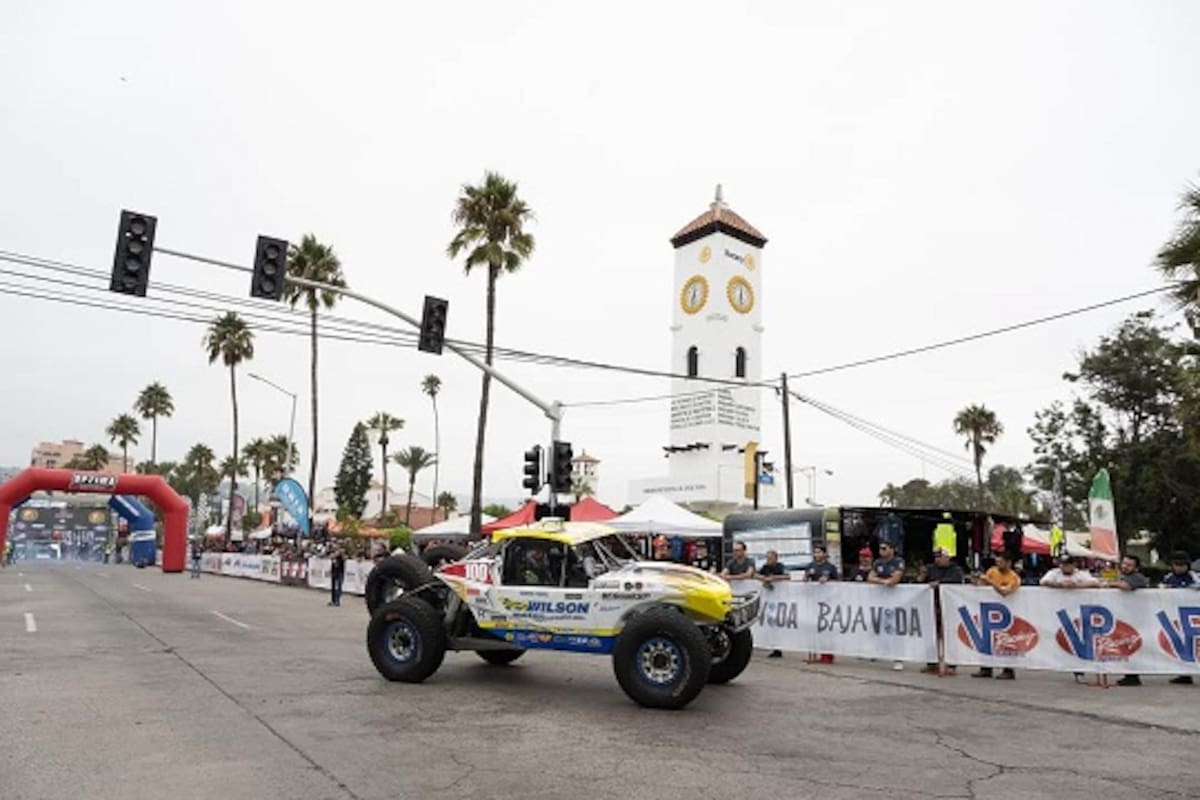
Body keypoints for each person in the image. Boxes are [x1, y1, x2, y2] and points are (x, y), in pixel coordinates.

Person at [972, 552, 1020, 679]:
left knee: (1005, 641)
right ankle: (986, 668)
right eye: (997, 562)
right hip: (989, 610)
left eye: (1001, 562)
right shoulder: (992, 571)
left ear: (1009, 563)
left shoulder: (1013, 577)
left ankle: (1008, 670)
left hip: (1007, 612)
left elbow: (1005, 592)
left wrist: (991, 582)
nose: (998, 564)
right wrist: (976, 581)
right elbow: (982, 587)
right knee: (987, 639)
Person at [921, 547, 965, 674]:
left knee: (949, 635)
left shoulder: (955, 570)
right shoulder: (930, 568)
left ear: (947, 558)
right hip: (933, 605)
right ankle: (932, 662)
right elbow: (920, 582)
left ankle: (951, 664)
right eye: (936, 557)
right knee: (932, 635)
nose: (937, 560)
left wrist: (939, 583)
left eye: (940, 557)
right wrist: (922, 576)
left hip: (949, 606)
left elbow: (956, 581)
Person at [1111, 555, 1149, 686]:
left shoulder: (1137, 578)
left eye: (1129, 565)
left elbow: (1125, 586)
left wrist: (1109, 584)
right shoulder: (1124, 577)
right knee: (1127, 645)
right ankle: (1130, 675)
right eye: (1124, 564)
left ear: (1136, 568)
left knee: (1133, 645)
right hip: (1128, 616)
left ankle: (1133, 676)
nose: (1125, 566)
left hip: (1138, 617)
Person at [868, 541, 906, 670]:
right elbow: (870, 578)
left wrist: (882, 581)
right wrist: (883, 581)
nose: (881, 551)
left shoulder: (898, 561)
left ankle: (898, 658)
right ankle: (878, 651)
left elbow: (895, 580)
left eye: (884, 548)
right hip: (881, 599)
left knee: (895, 628)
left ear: (892, 549)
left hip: (897, 599)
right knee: (878, 625)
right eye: (880, 548)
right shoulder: (878, 562)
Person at [1161, 552, 1197, 685]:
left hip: (1193, 615)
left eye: (1182, 564)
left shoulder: (1194, 577)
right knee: (1180, 642)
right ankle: (1184, 673)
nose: (1179, 567)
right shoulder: (1169, 577)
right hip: (1175, 615)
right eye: (1176, 564)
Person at [758, 550, 790, 658]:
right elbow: (755, 575)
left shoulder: (780, 567)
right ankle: (773, 647)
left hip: (780, 599)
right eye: (767, 558)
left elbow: (787, 576)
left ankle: (779, 647)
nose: (768, 560)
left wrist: (773, 578)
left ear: (776, 558)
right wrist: (763, 579)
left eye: (770, 558)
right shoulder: (765, 567)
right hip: (769, 600)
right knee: (770, 623)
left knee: (778, 623)